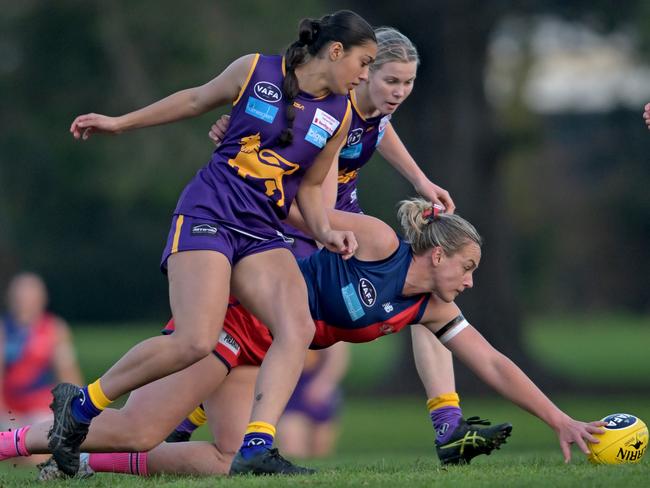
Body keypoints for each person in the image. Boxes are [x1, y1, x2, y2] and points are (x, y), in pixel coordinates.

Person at [2, 199, 604, 478]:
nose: (470, 281)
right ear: (439, 252)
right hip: (229, 323)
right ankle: (10, 443)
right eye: (467, 267)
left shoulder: (427, 308)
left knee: (222, 462)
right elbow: (288, 208)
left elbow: (493, 365)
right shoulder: (378, 243)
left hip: (262, 353)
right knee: (138, 425)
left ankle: (80, 460)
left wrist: (560, 420)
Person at [51, 11, 377, 476]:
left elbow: (309, 189)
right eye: (364, 62)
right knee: (195, 340)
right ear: (337, 51)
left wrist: (327, 232)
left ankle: (257, 446)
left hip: (262, 231)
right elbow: (192, 100)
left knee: (297, 327)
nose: (366, 76)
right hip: (209, 214)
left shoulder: (340, 114)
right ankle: (82, 405)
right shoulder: (255, 70)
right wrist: (119, 124)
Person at [204, 27, 489, 464]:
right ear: (362, 71)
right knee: (252, 334)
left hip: (334, 224)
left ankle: (447, 423)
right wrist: (320, 229)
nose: (399, 92)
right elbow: (307, 186)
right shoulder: (336, 107)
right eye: (390, 80)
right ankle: (192, 413)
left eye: (408, 82)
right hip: (306, 228)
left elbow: (378, 127)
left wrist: (419, 179)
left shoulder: (371, 107)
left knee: (422, 294)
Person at [0, 273, 83, 465]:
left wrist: (77, 414)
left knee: (38, 451)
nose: (24, 302)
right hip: (10, 408)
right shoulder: (3, 330)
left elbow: (68, 375)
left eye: (30, 296)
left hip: (40, 407)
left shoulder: (55, 329)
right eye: (20, 296)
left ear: (42, 299)